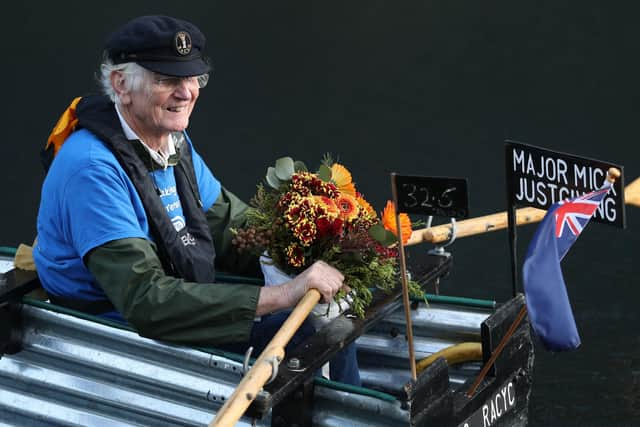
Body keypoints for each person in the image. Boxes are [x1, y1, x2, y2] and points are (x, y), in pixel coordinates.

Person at [34, 15, 360, 386]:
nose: (187, 91)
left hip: (167, 288)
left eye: (193, 77)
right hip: (110, 318)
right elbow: (146, 300)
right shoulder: (93, 168)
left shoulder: (169, 140)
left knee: (333, 322)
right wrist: (286, 293)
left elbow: (228, 226)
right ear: (120, 84)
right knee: (308, 336)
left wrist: (310, 246)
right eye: (166, 79)